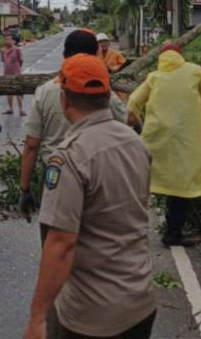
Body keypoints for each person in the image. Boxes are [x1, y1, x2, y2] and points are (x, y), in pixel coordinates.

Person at [23, 54, 155, 339]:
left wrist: (36, 318)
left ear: (64, 99)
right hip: (141, 302)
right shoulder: (136, 144)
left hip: (92, 316)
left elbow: (61, 245)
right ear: (108, 95)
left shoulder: (69, 158)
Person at [18, 29, 127, 222]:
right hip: (97, 174)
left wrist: (24, 189)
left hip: (55, 175)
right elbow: (123, 127)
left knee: (55, 236)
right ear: (96, 54)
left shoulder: (45, 91)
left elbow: (31, 145)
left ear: (64, 55)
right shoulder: (104, 92)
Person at [127, 41, 201, 246]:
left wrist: (134, 125)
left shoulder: (154, 77)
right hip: (186, 140)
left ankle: (130, 231)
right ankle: (173, 234)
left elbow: (133, 102)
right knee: (182, 187)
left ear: (160, 58)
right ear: (181, 55)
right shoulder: (195, 71)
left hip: (155, 138)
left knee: (145, 182)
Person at [1, 34, 25, 115]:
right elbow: (3, 61)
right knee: (8, 91)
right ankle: (10, 109)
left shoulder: (17, 49)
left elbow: (21, 61)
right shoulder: (3, 50)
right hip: (7, 74)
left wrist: (17, 69)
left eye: (9, 39)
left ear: (13, 41)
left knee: (18, 91)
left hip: (16, 74)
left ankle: (21, 110)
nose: (8, 41)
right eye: (6, 39)